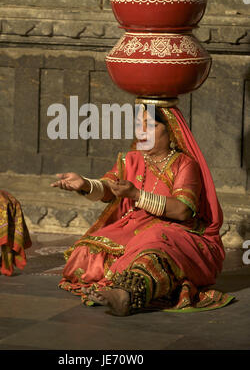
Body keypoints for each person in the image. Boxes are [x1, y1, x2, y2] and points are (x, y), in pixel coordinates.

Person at [51, 105, 234, 316]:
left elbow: (183, 211)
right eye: (139, 125)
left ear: (172, 130)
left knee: (153, 244)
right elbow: (110, 188)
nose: (142, 131)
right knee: (85, 252)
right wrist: (85, 184)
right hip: (134, 227)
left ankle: (124, 295)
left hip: (175, 232)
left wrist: (137, 195)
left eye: (151, 125)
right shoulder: (131, 159)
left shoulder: (184, 164)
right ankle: (117, 286)